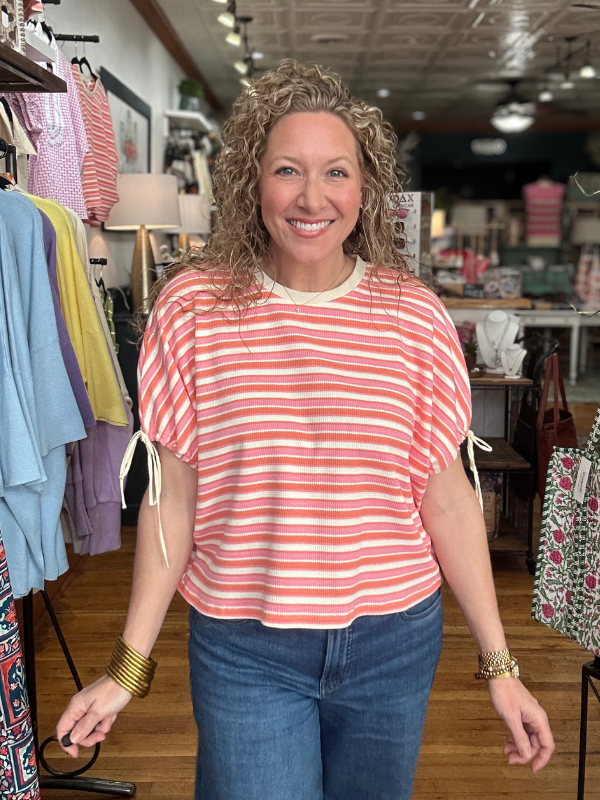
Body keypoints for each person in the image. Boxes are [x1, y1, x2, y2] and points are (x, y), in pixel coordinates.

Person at [56, 60, 554, 800]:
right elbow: (173, 499)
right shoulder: (192, 310)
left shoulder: (414, 317)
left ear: (366, 189)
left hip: (395, 640)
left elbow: (445, 498)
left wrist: (501, 667)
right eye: (288, 170)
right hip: (243, 648)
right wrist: (129, 665)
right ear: (253, 183)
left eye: (336, 173)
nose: (312, 197)